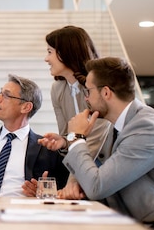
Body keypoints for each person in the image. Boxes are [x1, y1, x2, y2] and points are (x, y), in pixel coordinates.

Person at [39, 57, 154, 221]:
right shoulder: (118, 126)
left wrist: (76, 138)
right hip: (136, 220)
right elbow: (99, 176)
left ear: (106, 93)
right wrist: (75, 182)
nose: (86, 98)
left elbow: (97, 186)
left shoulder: (146, 128)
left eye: (88, 91)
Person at [0, 74, 69, 196]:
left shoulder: (49, 149)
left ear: (26, 107)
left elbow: (60, 192)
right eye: (0, 93)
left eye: (6, 95)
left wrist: (41, 193)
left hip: (24, 210)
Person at [45, 25, 112, 197]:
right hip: (78, 164)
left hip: (106, 166)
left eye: (50, 52)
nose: (46, 58)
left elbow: (96, 139)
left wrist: (72, 183)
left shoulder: (97, 87)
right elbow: (69, 136)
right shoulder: (57, 89)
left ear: (66, 53)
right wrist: (62, 141)